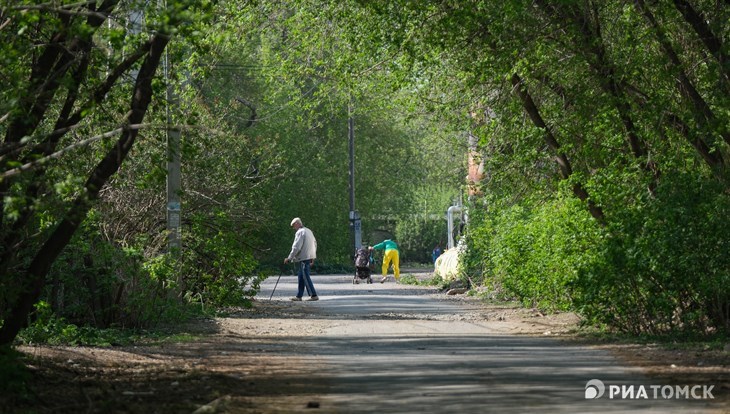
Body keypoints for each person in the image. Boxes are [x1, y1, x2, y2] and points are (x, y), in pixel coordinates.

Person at [283, 217, 319, 301]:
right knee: (301, 276)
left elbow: (296, 247)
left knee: (305, 276)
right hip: (309, 256)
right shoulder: (309, 231)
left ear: (297, 224)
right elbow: (315, 244)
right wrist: (313, 257)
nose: (293, 228)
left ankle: (314, 295)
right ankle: (299, 296)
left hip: (303, 257)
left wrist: (289, 258)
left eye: (293, 226)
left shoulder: (300, 232)